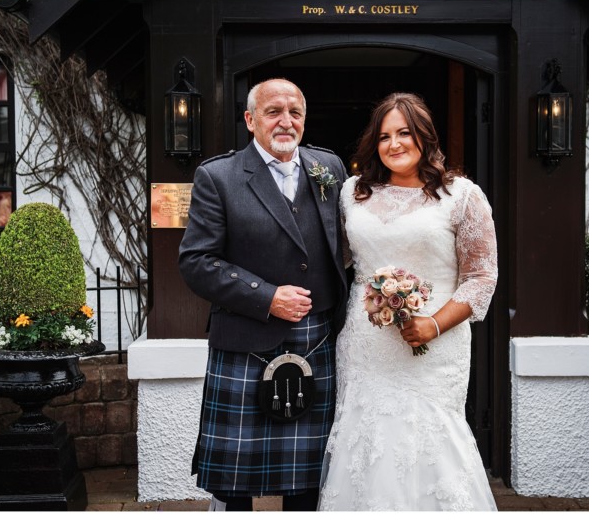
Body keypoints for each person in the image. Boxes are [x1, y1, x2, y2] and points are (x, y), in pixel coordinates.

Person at [319, 93, 498, 511]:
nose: (394, 144)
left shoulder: (462, 196)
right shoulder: (352, 193)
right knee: (365, 441)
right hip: (365, 345)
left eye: (404, 133)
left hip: (434, 346)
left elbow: (481, 277)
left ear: (425, 137)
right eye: (384, 136)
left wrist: (432, 324)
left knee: (430, 439)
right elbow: (335, 259)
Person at [179, 78, 348, 512]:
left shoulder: (328, 168)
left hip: (317, 339)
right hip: (246, 340)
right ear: (250, 120)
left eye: (295, 112)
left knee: (307, 482)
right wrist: (266, 295)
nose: (285, 121)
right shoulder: (218, 176)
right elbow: (197, 262)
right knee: (235, 488)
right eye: (274, 111)